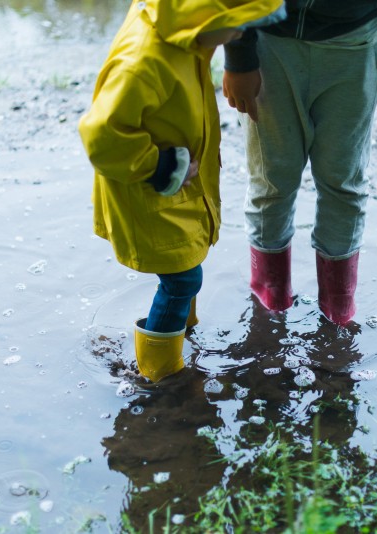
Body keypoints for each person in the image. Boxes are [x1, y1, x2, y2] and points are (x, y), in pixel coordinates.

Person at [78, 0, 286, 383]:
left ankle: (180, 333)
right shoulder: (144, 63)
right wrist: (161, 166)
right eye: (235, 25)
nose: (240, 35)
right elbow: (101, 136)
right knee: (182, 280)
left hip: (175, 191)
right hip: (150, 191)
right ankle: (159, 374)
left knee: (186, 263)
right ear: (203, 17)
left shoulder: (182, 36)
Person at [222, 0, 377, 325]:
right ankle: (268, 309)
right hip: (269, 40)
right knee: (271, 181)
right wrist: (238, 57)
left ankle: (338, 313)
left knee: (343, 183)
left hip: (355, 41)